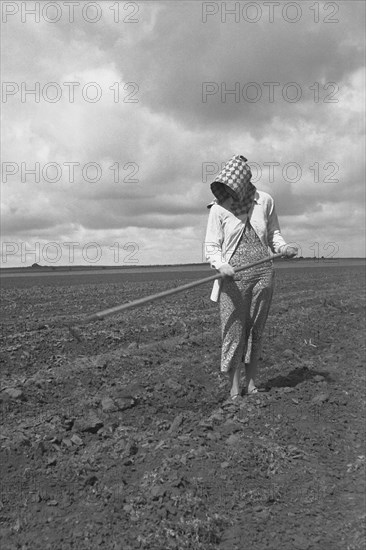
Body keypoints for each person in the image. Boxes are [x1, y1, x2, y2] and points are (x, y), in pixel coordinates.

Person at [204, 155, 297, 401]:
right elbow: (211, 246)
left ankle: (252, 383)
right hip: (232, 278)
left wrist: (284, 248)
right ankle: (234, 387)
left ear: (244, 184)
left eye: (233, 188)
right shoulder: (218, 209)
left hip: (263, 273)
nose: (229, 193)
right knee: (233, 330)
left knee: (256, 329)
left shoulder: (265, 201)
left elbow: (274, 233)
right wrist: (221, 265)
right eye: (225, 188)